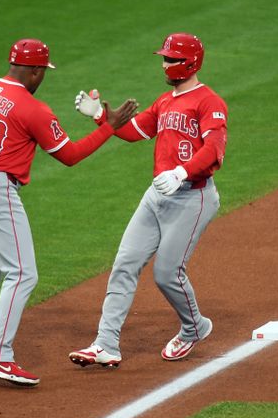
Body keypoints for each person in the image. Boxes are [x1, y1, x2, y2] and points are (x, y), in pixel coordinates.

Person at [0, 38, 138, 385]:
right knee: (22, 273)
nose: (43, 78)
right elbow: (70, 156)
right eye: (43, 72)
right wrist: (109, 126)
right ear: (35, 71)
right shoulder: (32, 108)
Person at [68, 32, 227, 367]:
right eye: (164, 58)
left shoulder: (209, 102)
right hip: (156, 196)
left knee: (167, 274)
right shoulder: (165, 101)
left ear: (191, 62)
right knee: (125, 264)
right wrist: (100, 116)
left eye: (171, 59)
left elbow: (214, 149)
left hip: (192, 198)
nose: (165, 64)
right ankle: (106, 344)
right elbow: (132, 132)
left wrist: (181, 173)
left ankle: (194, 327)